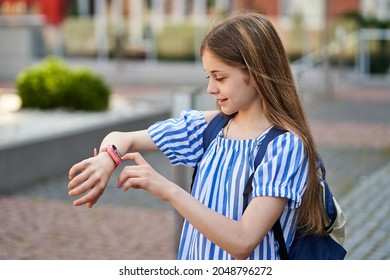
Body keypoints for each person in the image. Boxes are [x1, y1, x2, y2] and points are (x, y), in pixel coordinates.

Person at [68, 12, 324, 260]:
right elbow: (123, 138)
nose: (211, 88)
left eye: (220, 77)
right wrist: (107, 159)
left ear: (255, 73)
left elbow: (243, 241)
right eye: (208, 76)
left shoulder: (285, 146)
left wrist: (169, 190)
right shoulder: (209, 128)